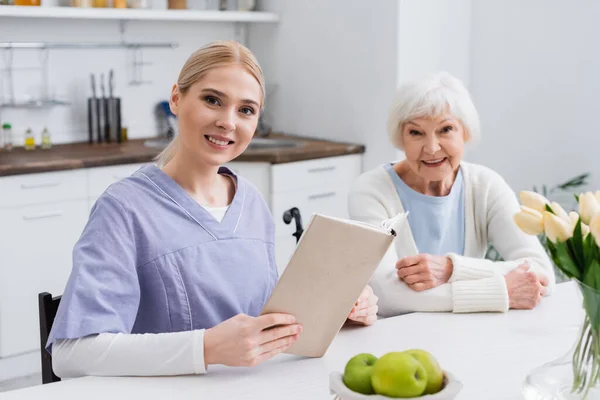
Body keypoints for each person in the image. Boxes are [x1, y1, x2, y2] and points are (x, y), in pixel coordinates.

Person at [47, 40, 378, 378]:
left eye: (246, 110)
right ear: (176, 98)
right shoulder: (124, 209)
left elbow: (261, 324)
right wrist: (206, 348)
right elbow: (71, 355)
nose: (227, 122)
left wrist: (338, 311)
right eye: (212, 100)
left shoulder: (250, 201)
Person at [348, 72, 555, 317]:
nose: (432, 148)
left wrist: (451, 269)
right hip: (398, 339)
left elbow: (540, 272)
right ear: (400, 138)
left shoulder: (485, 185)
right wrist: (500, 292)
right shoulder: (371, 190)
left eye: (445, 129)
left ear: (465, 132)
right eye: (416, 133)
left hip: (469, 332)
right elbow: (384, 292)